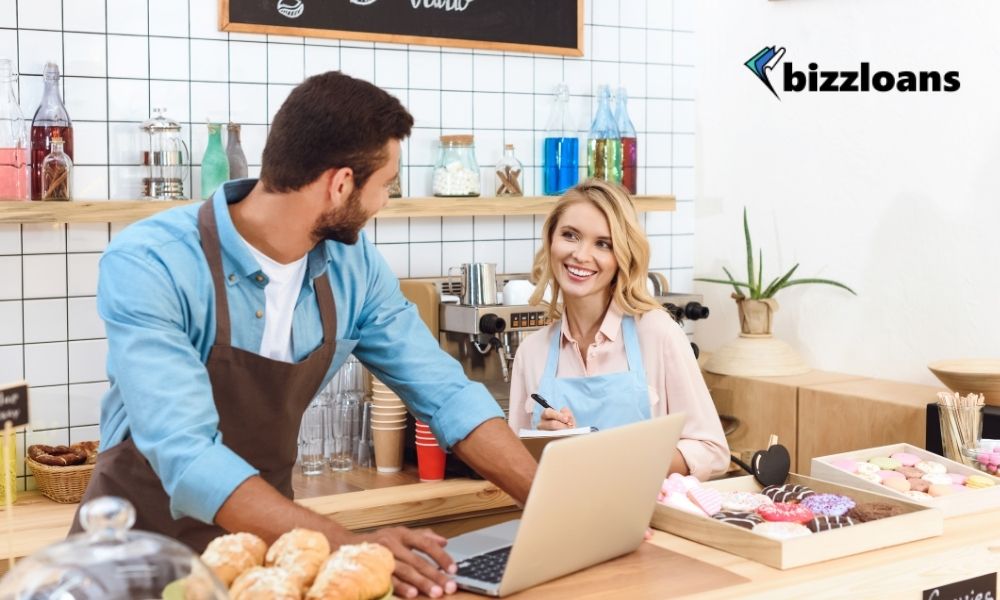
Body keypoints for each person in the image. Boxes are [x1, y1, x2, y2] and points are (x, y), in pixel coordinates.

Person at [70, 71, 537, 600]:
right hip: (134, 555)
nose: (386, 201)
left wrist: (550, 502)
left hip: (273, 558)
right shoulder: (151, 262)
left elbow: (447, 394)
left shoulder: (355, 267)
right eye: (386, 184)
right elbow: (187, 455)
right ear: (340, 184)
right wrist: (349, 544)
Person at [508, 180, 730, 480]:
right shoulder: (531, 352)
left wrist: (623, 459)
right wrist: (544, 444)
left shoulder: (657, 333)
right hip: (562, 521)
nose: (581, 255)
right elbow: (517, 467)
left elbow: (712, 451)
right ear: (550, 240)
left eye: (603, 244)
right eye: (570, 235)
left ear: (622, 256)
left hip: (646, 523)